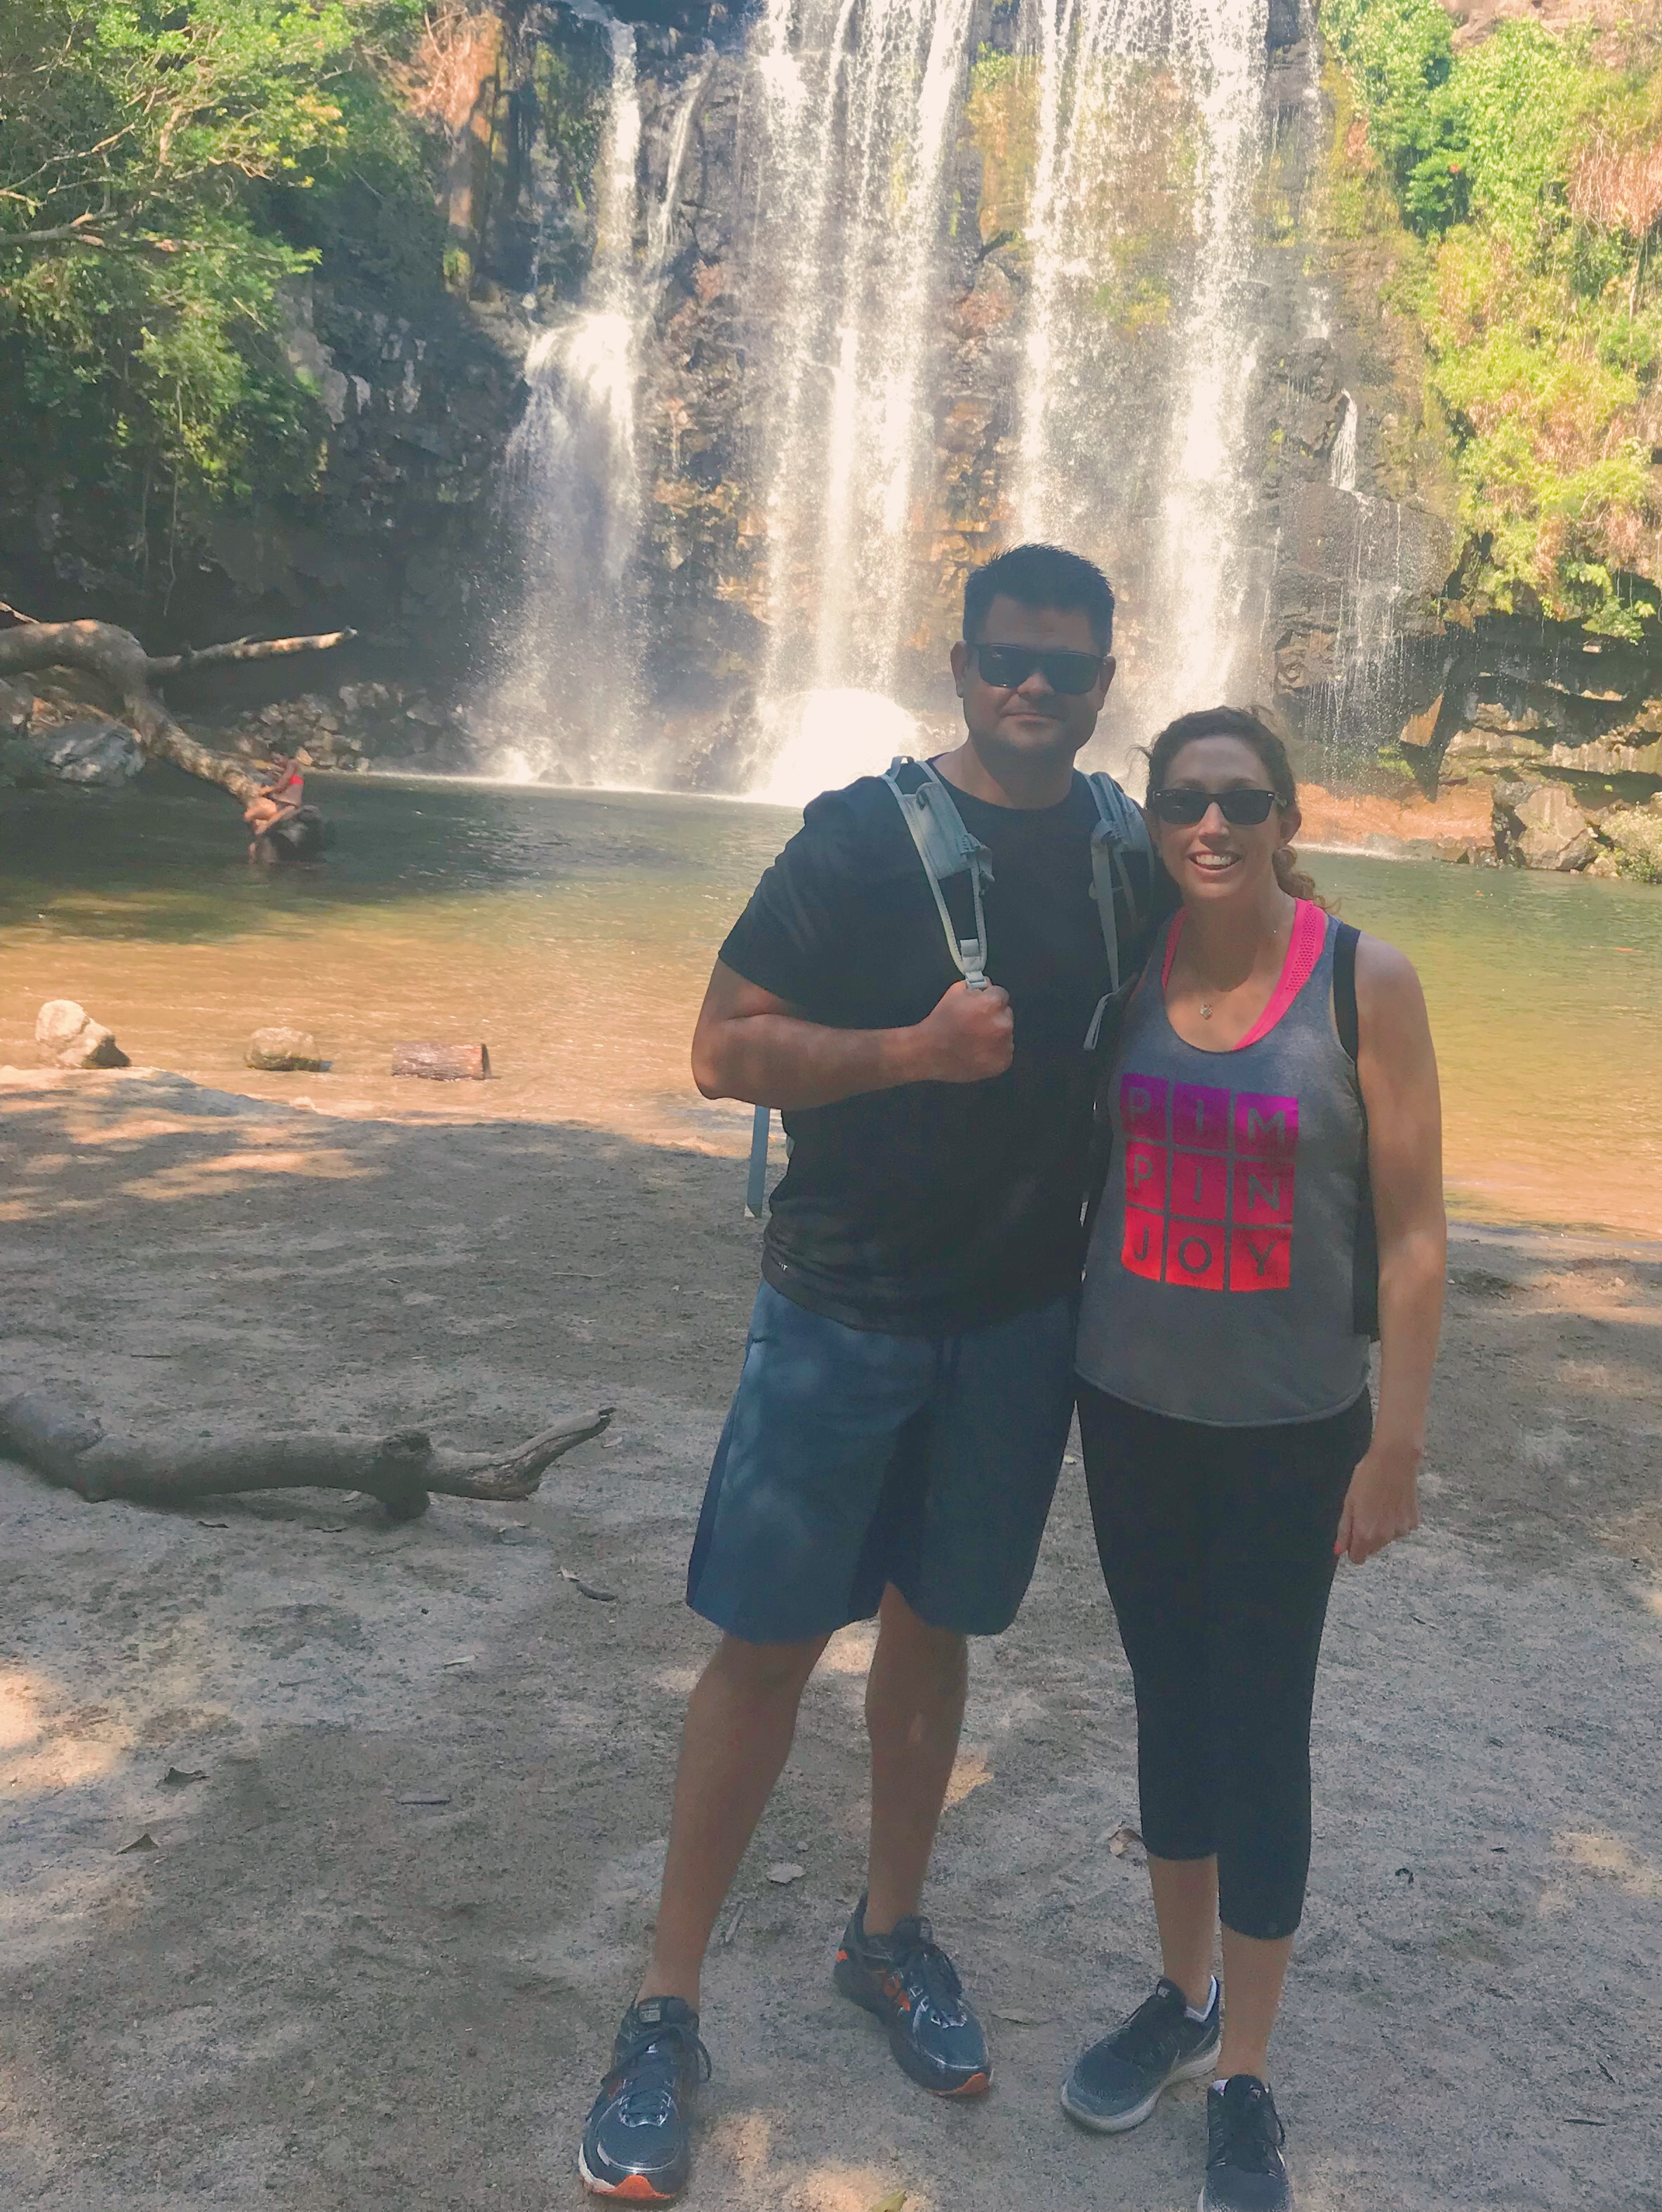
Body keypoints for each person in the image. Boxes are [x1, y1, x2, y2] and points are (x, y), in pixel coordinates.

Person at [579, 543, 1164, 2204]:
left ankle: (887, 1934)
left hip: (1020, 1324)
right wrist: (910, 1051)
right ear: (962, 661)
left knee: (939, 1629)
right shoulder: (855, 835)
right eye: (1004, 657)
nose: (1031, 688)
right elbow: (720, 1048)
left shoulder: (1126, 851)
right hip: (840, 1311)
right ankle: (664, 2006)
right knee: (764, 1650)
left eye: (1063, 666)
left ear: (1105, 680)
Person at [1062, 706, 1448, 2212]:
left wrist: (1397, 1442)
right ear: (1154, 827)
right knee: (1167, 1697)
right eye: (1182, 806)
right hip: (1130, 1409)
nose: (1208, 828)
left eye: (1239, 802)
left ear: (1289, 820)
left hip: (1295, 1429)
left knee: (1261, 1719)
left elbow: (1414, 1235)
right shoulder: (1130, 970)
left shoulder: (1365, 979)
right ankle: (1182, 1993)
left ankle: (1248, 2074)